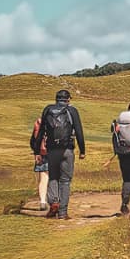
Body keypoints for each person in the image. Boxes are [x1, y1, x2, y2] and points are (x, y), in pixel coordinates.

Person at [30, 89, 85, 219]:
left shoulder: (48, 109)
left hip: (51, 150)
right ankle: (63, 212)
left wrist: (37, 151)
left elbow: (42, 130)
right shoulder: (72, 111)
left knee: (53, 177)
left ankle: (54, 202)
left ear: (56, 99)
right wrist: (82, 151)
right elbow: (79, 131)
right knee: (65, 181)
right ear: (69, 99)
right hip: (67, 150)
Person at [29, 116, 49, 208]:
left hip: (41, 152)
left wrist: (36, 152)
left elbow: (33, 141)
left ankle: (42, 201)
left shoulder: (39, 122)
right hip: (55, 152)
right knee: (55, 178)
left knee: (43, 178)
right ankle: (55, 200)